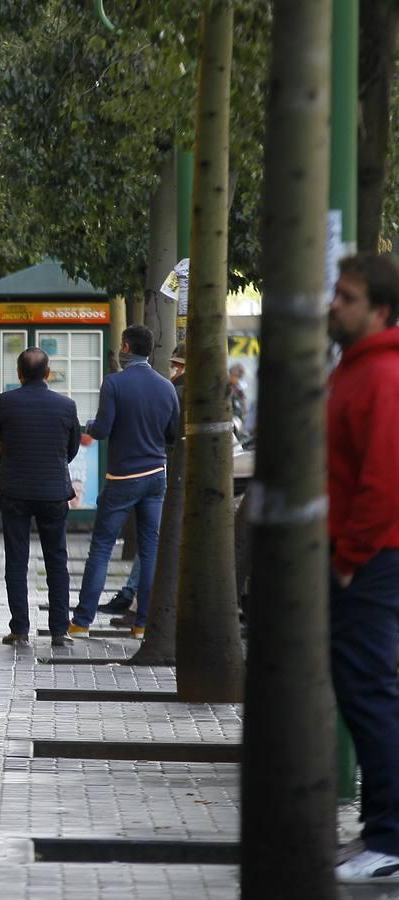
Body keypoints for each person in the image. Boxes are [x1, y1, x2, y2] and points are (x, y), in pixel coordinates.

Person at [325, 254, 399, 884]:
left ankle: (391, 838)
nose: (334, 305)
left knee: (369, 690)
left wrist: (350, 559)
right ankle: (381, 831)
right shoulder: (355, 370)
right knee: (360, 688)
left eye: (346, 297)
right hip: (364, 555)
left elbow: (383, 480)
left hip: (374, 558)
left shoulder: (381, 376)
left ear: (378, 311)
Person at [68, 324, 180, 640]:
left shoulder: (114, 384)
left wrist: (88, 424)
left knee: (102, 547)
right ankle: (142, 623)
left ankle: (82, 621)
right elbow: (172, 433)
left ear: (127, 347)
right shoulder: (166, 387)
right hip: (157, 476)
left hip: (122, 477)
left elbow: (101, 429)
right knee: (149, 550)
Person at [0, 348, 81, 647]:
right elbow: (72, 447)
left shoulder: (5, 402)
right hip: (53, 493)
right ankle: (59, 630)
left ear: (19, 373)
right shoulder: (66, 405)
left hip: (15, 491)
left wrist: (9, 460)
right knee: (56, 559)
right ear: (48, 373)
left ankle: (20, 628)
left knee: (16, 559)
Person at [98, 344, 187, 617]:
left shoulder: (176, 389)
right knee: (152, 541)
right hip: (159, 472)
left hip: (147, 471)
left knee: (111, 544)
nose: (175, 369)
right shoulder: (169, 387)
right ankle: (136, 603)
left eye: (178, 365)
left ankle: (129, 599)